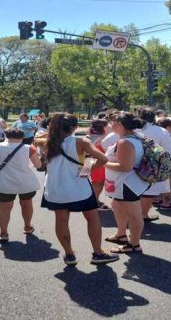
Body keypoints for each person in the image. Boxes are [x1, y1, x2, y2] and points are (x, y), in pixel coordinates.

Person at [38, 113, 118, 266]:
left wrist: (53, 130)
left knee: (61, 220)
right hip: (79, 189)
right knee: (92, 218)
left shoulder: (45, 142)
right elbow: (103, 159)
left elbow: (39, 138)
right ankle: (98, 253)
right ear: (74, 127)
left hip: (55, 190)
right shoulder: (81, 142)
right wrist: (87, 170)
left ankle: (69, 255)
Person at [104, 112, 150, 254]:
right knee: (116, 205)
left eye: (113, 123)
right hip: (127, 183)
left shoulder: (125, 142)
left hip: (127, 185)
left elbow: (125, 167)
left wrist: (104, 163)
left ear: (120, 125)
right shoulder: (135, 137)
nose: (111, 125)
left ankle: (134, 245)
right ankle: (121, 235)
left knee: (134, 215)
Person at [0, 128, 42, 242]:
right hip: (25, 182)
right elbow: (38, 165)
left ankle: (3, 232)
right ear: (22, 137)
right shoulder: (29, 148)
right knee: (26, 204)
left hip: (4, 182)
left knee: (4, 207)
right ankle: (27, 226)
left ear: (6, 136)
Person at [138, 108, 171, 217]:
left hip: (134, 163)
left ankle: (137, 215)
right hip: (153, 166)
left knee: (137, 190)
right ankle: (143, 215)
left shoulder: (134, 129)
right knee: (149, 191)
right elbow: (168, 151)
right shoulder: (160, 131)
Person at [85, 119, 110, 209]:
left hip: (88, 161)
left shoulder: (89, 135)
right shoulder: (102, 137)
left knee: (91, 182)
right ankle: (94, 202)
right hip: (97, 162)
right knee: (98, 183)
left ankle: (92, 201)